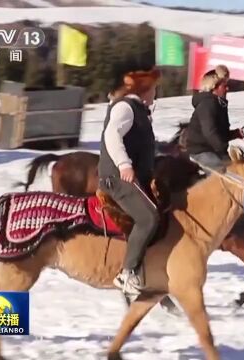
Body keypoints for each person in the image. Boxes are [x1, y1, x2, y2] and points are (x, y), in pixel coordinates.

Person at [98, 68, 161, 295]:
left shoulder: (140, 111)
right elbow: (112, 135)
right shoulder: (125, 107)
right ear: (145, 90)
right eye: (153, 88)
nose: (156, 93)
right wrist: (124, 164)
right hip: (116, 178)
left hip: (131, 176)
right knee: (148, 217)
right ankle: (127, 273)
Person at [185, 65, 244, 172]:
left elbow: (219, 134)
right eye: (224, 86)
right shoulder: (208, 104)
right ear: (214, 88)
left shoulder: (218, 104)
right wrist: (223, 149)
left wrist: (235, 134)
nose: (227, 89)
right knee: (225, 173)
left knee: (238, 169)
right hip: (201, 151)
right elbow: (210, 132)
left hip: (213, 150)